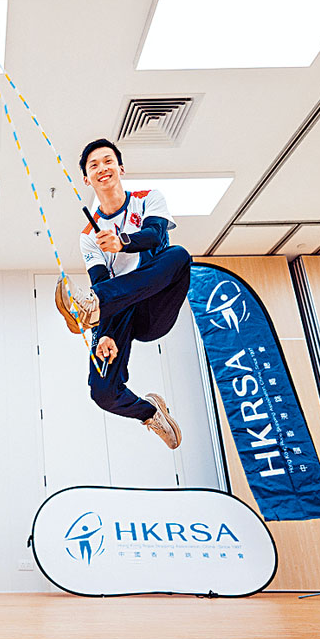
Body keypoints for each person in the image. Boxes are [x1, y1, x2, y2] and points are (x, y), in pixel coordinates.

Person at [55, 138, 191, 449]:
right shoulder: (88, 236)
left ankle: (95, 307)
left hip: (156, 302)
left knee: (179, 255)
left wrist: (122, 241)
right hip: (121, 311)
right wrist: (103, 334)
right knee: (103, 393)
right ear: (87, 179)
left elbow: (156, 234)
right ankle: (151, 414)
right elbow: (102, 279)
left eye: (107, 161)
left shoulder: (148, 198)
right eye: (94, 165)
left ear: (120, 168)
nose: (102, 168)